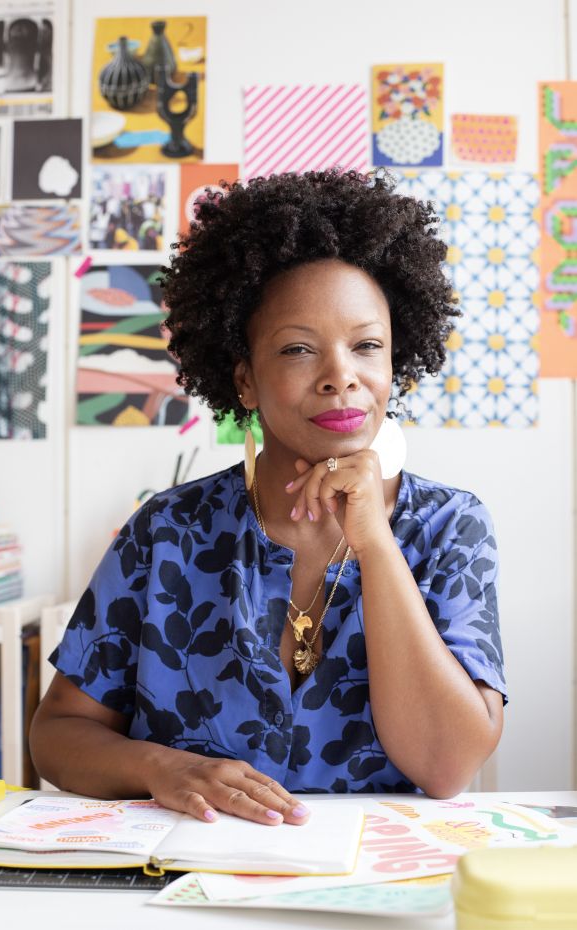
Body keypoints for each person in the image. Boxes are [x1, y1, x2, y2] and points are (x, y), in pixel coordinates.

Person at [30, 169, 506, 828]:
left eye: (366, 345)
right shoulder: (167, 532)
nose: (342, 376)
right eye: (298, 350)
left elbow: (447, 765)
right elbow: (56, 737)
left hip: (374, 883)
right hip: (183, 886)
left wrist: (374, 543)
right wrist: (156, 766)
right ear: (246, 381)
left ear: (396, 361)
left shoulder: (451, 527)